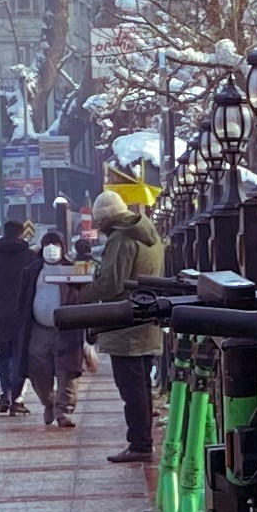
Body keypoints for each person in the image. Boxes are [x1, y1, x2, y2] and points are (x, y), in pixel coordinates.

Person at [88, 185, 166, 469]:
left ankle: (140, 445)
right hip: (146, 320)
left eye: (99, 221)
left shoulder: (122, 239)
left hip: (126, 325)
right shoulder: (148, 234)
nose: (99, 227)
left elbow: (111, 284)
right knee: (141, 386)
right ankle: (141, 441)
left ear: (107, 218)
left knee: (131, 390)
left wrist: (83, 293)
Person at [0, 207, 42, 416]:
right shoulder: (31, 257)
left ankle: (5, 392)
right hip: (25, 315)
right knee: (21, 356)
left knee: (3, 354)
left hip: (1, 315)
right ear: (21, 234)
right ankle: (17, 397)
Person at [24, 242, 91, 428]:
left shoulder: (73, 270)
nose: (51, 249)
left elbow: (85, 293)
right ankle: (48, 402)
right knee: (37, 369)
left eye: (55, 244)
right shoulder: (32, 271)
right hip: (39, 329)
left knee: (68, 371)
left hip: (67, 330)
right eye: (48, 244)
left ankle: (65, 411)